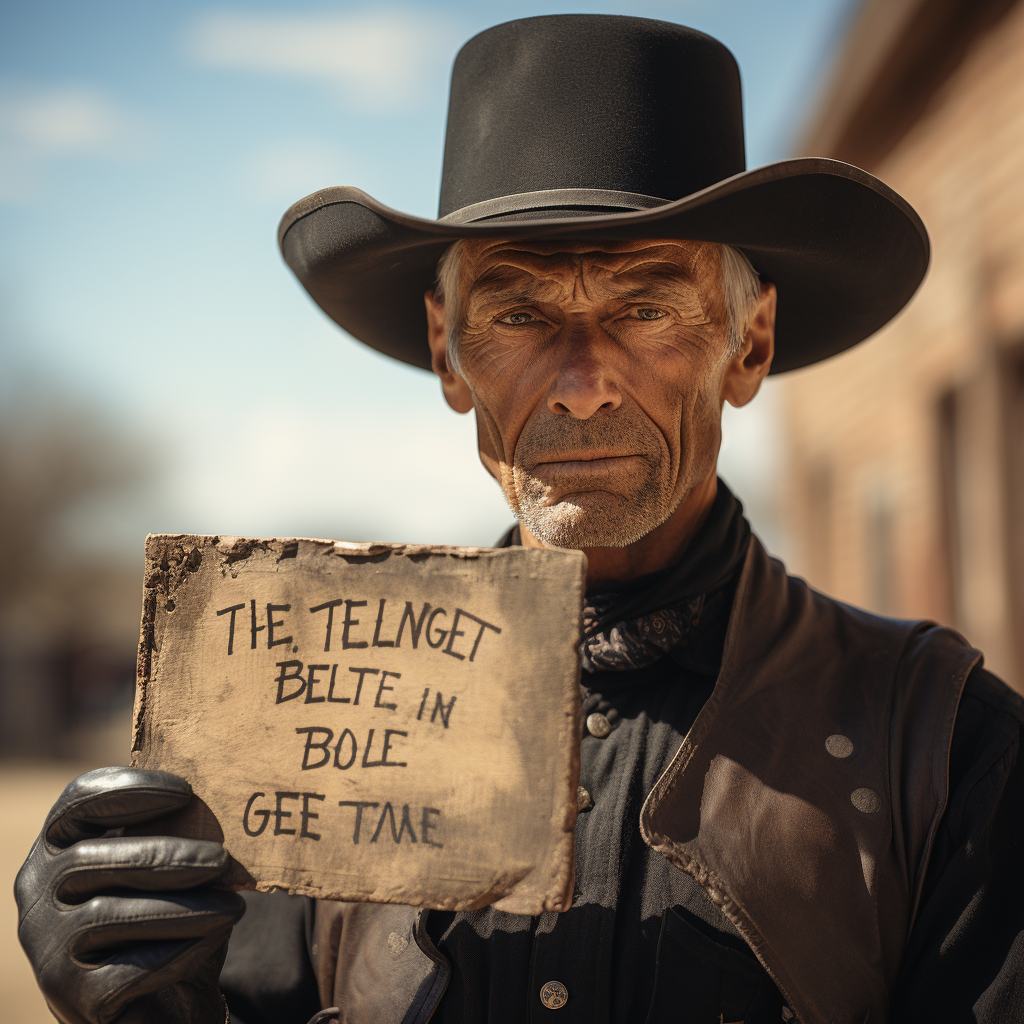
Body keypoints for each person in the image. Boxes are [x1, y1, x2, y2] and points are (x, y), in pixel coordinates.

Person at [15, 15, 1024, 1024]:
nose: (582, 385)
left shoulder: (941, 746)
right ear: (446, 353)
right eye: (517, 313)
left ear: (748, 341)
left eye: (643, 307)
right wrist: (149, 1000)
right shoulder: (306, 709)